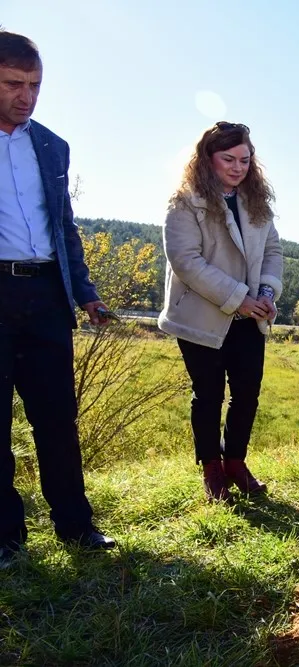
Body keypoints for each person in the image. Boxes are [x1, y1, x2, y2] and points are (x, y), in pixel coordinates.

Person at [0, 30, 116, 566]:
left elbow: (64, 227)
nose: (26, 96)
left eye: (35, 85)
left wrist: (86, 294)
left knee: (56, 417)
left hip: (47, 295)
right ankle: (6, 540)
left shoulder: (52, 145)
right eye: (13, 84)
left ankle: (76, 527)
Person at [159, 122, 283, 502]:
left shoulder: (256, 200)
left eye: (245, 159)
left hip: (250, 316)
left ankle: (236, 462)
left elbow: (274, 252)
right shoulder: (185, 201)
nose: (237, 167)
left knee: (247, 393)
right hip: (200, 317)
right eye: (228, 159)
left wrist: (264, 292)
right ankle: (211, 468)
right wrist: (239, 296)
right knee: (209, 394)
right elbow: (186, 261)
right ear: (207, 159)